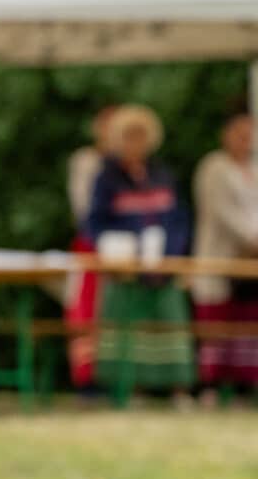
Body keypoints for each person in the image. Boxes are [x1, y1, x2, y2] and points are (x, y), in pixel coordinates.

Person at [85, 105, 193, 398]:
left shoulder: (162, 173)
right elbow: (92, 223)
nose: (135, 142)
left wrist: (173, 252)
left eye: (140, 135)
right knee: (126, 326)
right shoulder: (107, 177)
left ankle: (178, 388)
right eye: (129, 136)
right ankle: (130, 387)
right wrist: (115, 249)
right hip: (125, 268)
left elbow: (179, 218)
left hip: (163, 264)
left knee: (169, 322)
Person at [192, 105, 258, 398]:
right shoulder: (214, 167)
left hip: (250, 262)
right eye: (239, 134)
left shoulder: (254, 168)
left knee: (245, 322)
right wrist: (253, 237)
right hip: (220, 255)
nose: (245, 140)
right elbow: (222, 212)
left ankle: (244, 385)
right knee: (217, 321)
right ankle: (211, 386)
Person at [64, 104, 121, 389]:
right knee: (86, 313)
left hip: (123, 250)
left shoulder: (131, 167)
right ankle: (87, 379)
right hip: (92, 245)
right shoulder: (86, 161)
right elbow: (84, 209)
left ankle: (117, 374)